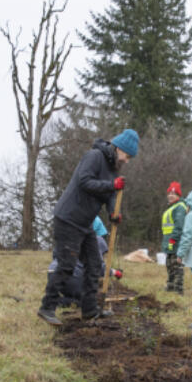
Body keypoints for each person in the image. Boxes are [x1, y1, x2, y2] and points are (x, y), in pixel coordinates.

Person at [37, 129, 138, 325]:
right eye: (127, 156)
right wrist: (112, 186)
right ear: (118, 149)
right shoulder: (94, 156)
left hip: (85, 223)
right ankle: (47, 307)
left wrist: (113, 213)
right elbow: (84, 182)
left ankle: (90, 310)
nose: (127, 161)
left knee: (93, 264)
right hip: (69, 218)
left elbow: (109, 196)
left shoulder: (113, 169)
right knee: (67, 264)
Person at [161, 181, 189, 293]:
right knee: (170, 265)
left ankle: (178, 289)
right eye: (169, 193)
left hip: (175, 241)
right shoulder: (172, 207)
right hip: (169, 240)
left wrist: (173, 239)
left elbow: (179, 225)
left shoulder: (180, 208)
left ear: (178, 195)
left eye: (173, 194)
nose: (170, 196)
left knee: (177, 266)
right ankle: (170, 286)